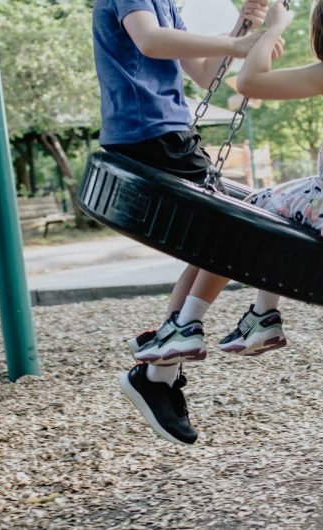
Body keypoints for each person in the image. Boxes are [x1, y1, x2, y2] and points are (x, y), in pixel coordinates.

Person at [124, 0, 323, 445]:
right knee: (275, 216)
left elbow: (249, 82)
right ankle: (260, 315)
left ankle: (191, 321)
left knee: (249, 215)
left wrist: (272, 29)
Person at [93, 0, 284, 445]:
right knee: (236, 231)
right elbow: (149, 40)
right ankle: (168, 365)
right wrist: (238, 42)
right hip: (149, 135)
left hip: (168, 134)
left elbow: (203, 74)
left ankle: (161, 371)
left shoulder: (167, 5)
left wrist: (248, 26)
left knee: (215, 244)